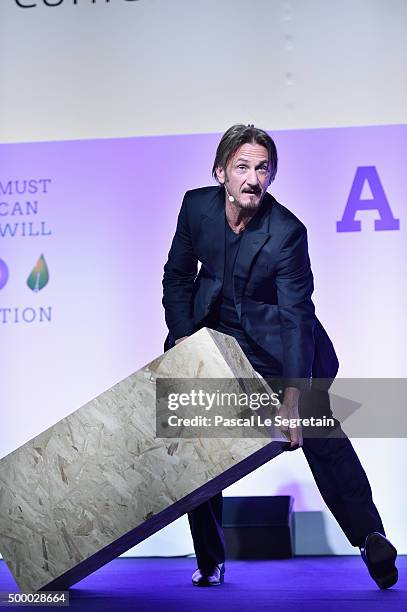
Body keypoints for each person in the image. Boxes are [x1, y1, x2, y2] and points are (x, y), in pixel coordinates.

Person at [162, 124, 398, 589]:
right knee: (195, 438)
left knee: (318, 426)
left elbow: (296, 317)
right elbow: (177, 278)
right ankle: (211, 559)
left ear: (271, 176)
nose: (253, 178)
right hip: (214, 336)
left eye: (262, 168)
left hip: (277, 348)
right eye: (242, 167)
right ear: (221, 173)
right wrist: (186, 345)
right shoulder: (195, 207)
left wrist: (293, 395)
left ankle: (371, 538)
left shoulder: (287, 232)